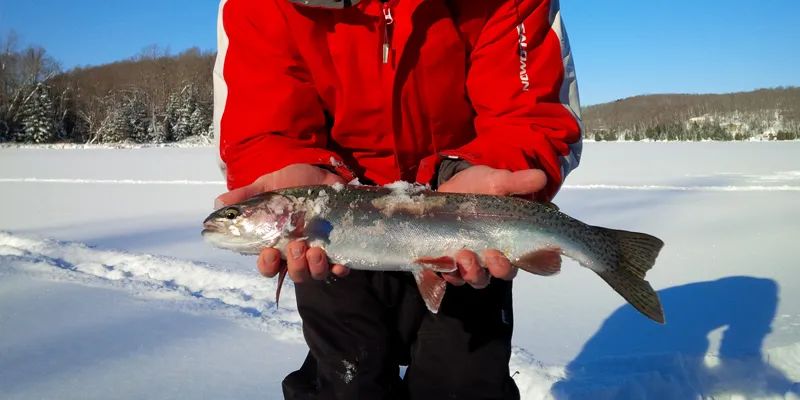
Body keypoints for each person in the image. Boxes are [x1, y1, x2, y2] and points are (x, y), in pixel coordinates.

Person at [212, 0, 582, 398]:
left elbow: (530, 113)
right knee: (346, 384)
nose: (229, 221)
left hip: (465, 211)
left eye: (235, 216)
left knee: (465, 384)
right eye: (236, 217)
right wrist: (283, 164)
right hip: (337, 229)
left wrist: (491, 167)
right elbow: (261, 123)